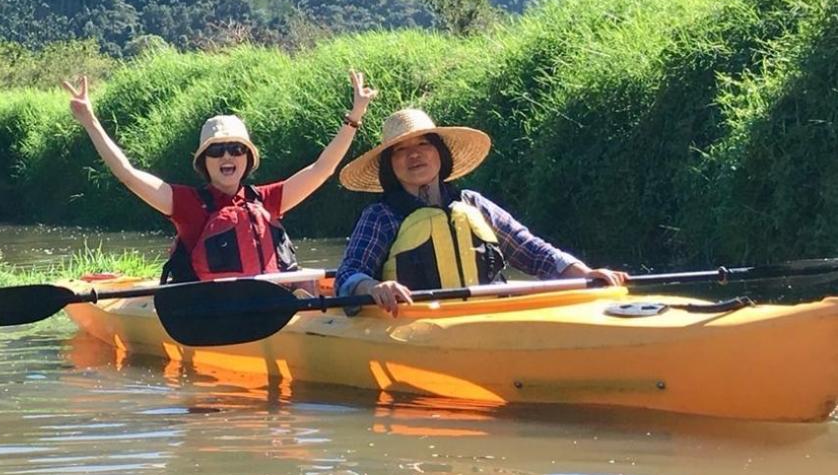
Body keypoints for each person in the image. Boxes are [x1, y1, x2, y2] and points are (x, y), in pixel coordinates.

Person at [62, 70, 377, 282]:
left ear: (247, 158)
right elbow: (128, 175)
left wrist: (355, 117)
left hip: (270, 303)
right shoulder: (187, 205)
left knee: (306, 284)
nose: (227, 156)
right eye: (217, 151)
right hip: (212, 309)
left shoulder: (267, 200)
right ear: (205, 162)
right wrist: (90, 121)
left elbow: (322, 169)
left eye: (235, 149)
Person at [334, 107, 627, 315]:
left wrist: (586, 273)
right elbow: (347, 275)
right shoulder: (381, 216)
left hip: (488, 315)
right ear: (390, 165)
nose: (414, 154)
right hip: (417, 322)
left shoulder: (472, 203)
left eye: (424, 144)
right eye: (401, 150)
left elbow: (533, 251)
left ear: (440, 154)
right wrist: (373, 286)